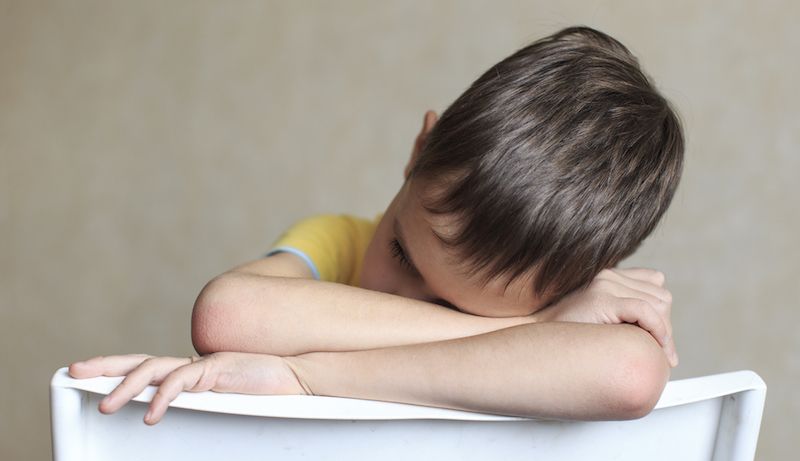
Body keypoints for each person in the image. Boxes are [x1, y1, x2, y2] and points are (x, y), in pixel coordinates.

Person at [69, 26, 683, 426]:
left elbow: (628, 374)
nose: (399, 295)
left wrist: (307, 375)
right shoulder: (337, 242)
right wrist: (532, 330)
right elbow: (229, 314)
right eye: (403, 253)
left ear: (567, 287)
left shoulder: (571, 311)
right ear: (419, 151)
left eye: (464, 311)